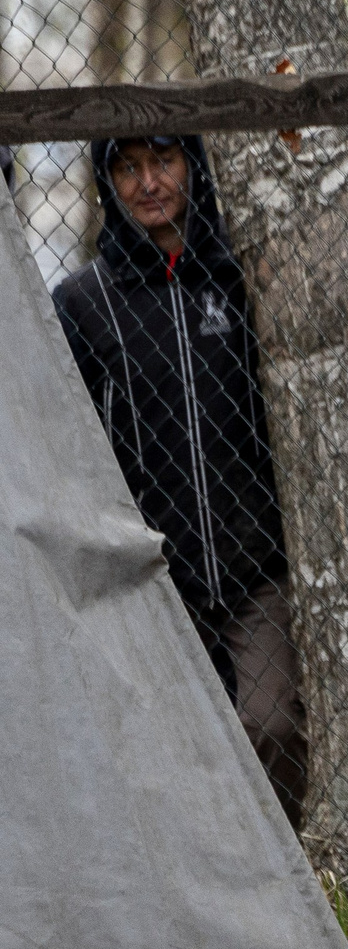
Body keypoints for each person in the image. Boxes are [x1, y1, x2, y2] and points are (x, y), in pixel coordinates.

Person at [52, 135, 304, 823]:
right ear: (107, 182)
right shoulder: (84, 302)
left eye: (163, 161)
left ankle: (286, 871)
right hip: (151, 579)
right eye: (127, 167)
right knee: (172, 754)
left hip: (256, 569)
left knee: (272, 723)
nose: (149, 183)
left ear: (193, 165)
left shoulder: (242, 276)